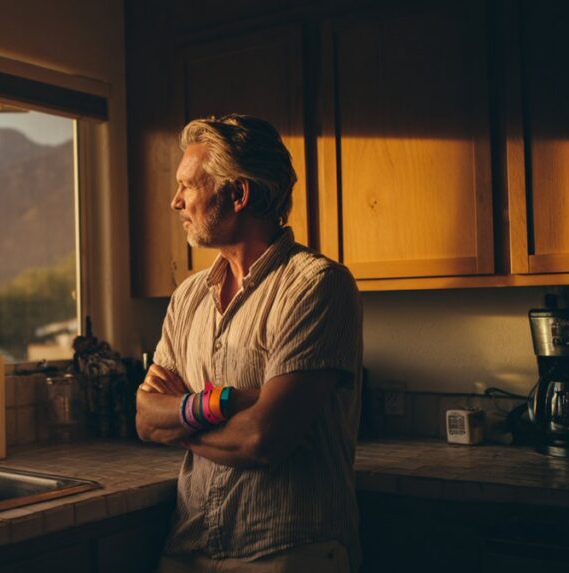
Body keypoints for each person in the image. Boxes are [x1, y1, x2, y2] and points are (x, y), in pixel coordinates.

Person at [136, 114, 362, 573]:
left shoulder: (316, 285)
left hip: (287, 553)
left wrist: (179, 418)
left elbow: (262, 438)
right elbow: (144, 419)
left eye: (188, 186)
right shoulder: (187, 297)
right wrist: (229, 401)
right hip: (189, 546)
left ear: (238, 195)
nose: (174, 201)